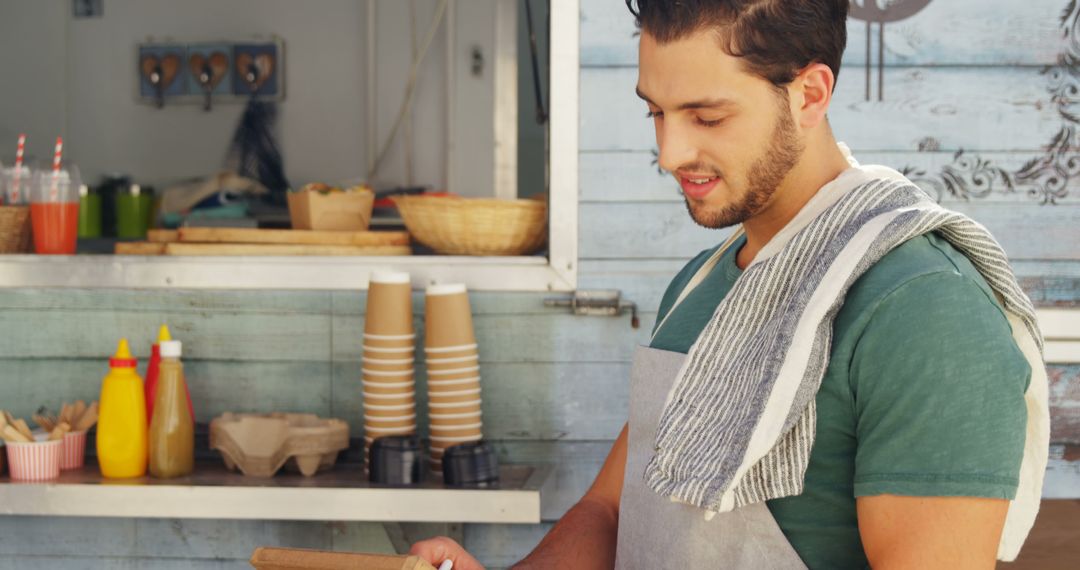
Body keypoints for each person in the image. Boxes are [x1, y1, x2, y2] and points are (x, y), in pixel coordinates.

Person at [412, 1, 1047, 568]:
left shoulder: (923, 309)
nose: (669, 153)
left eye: (706, 117)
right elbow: (612, 509)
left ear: (809, 94)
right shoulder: (702, 285)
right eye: (656, 112)